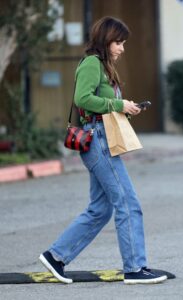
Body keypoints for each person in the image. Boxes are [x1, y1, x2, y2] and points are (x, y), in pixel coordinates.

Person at [39, 16, 167, 285]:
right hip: (97, 140)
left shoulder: (105, 67)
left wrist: (127, 106)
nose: (122, 48)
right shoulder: (91, 63)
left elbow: (102, 103)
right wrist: (118, 105)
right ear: (105, 40)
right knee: (128, 202)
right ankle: (135, 268)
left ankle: (55, 257)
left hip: (103, 137)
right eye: (118, 42)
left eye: (123, 43)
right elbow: (82, 99)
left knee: (100, 209)